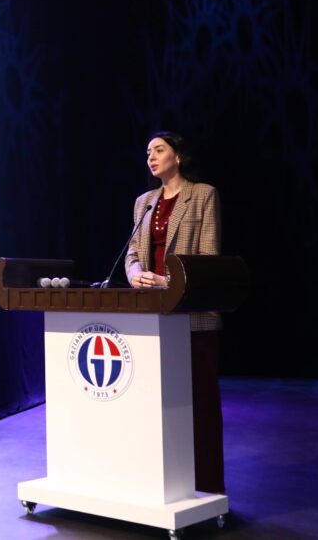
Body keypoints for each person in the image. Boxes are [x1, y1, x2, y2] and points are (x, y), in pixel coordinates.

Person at [125, 131, 224, 494]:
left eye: (159, 150)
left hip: (192, 313)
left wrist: (168, 281)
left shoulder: (203, 195)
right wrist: (136, 275)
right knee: (158, 405)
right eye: (147, 152)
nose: (151, 157)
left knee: (198, 405)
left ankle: (207, 488)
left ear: (178, 156)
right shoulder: (144, 202)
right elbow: (133, 254)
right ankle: (162, 485)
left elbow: (209, 259)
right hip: (153, 315)